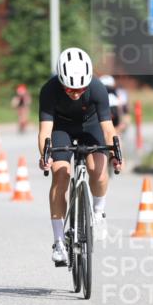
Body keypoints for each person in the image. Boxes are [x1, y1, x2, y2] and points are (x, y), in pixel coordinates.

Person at [38, 47, 122, 266]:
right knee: (61, 175)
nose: (75, 93)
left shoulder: (97, 88)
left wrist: (115, 153)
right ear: (61, 81)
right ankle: (58, 242)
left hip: (90, 126)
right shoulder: (49, 90)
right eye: (69, 89)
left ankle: (99, 212)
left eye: (79, 89)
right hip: (61, 128)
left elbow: (108, 130)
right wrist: (45, 156)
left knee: (99, 171)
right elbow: (45, 131)